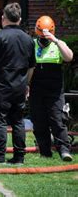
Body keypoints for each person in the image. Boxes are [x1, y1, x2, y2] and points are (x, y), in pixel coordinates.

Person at [0, 3, 35, 164]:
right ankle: (19, 156)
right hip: (19, 87)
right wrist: (27, 84)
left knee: (0, 121)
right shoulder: (28, 39)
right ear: (20, 19)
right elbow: (31, 67)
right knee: (18, 121)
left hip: (0, 87)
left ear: (3, 18)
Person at [29, 16, 74, 161]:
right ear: (37, 32)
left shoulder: (58, 44)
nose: (43, 39)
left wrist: (55, 40)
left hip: (54, 91)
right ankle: (45, 151)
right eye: (41, 35)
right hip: (36, 90)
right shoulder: (32, 45)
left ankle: (64, 150)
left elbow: (69, 57)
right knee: (39, 120)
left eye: (46, 36)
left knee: (57, 120)